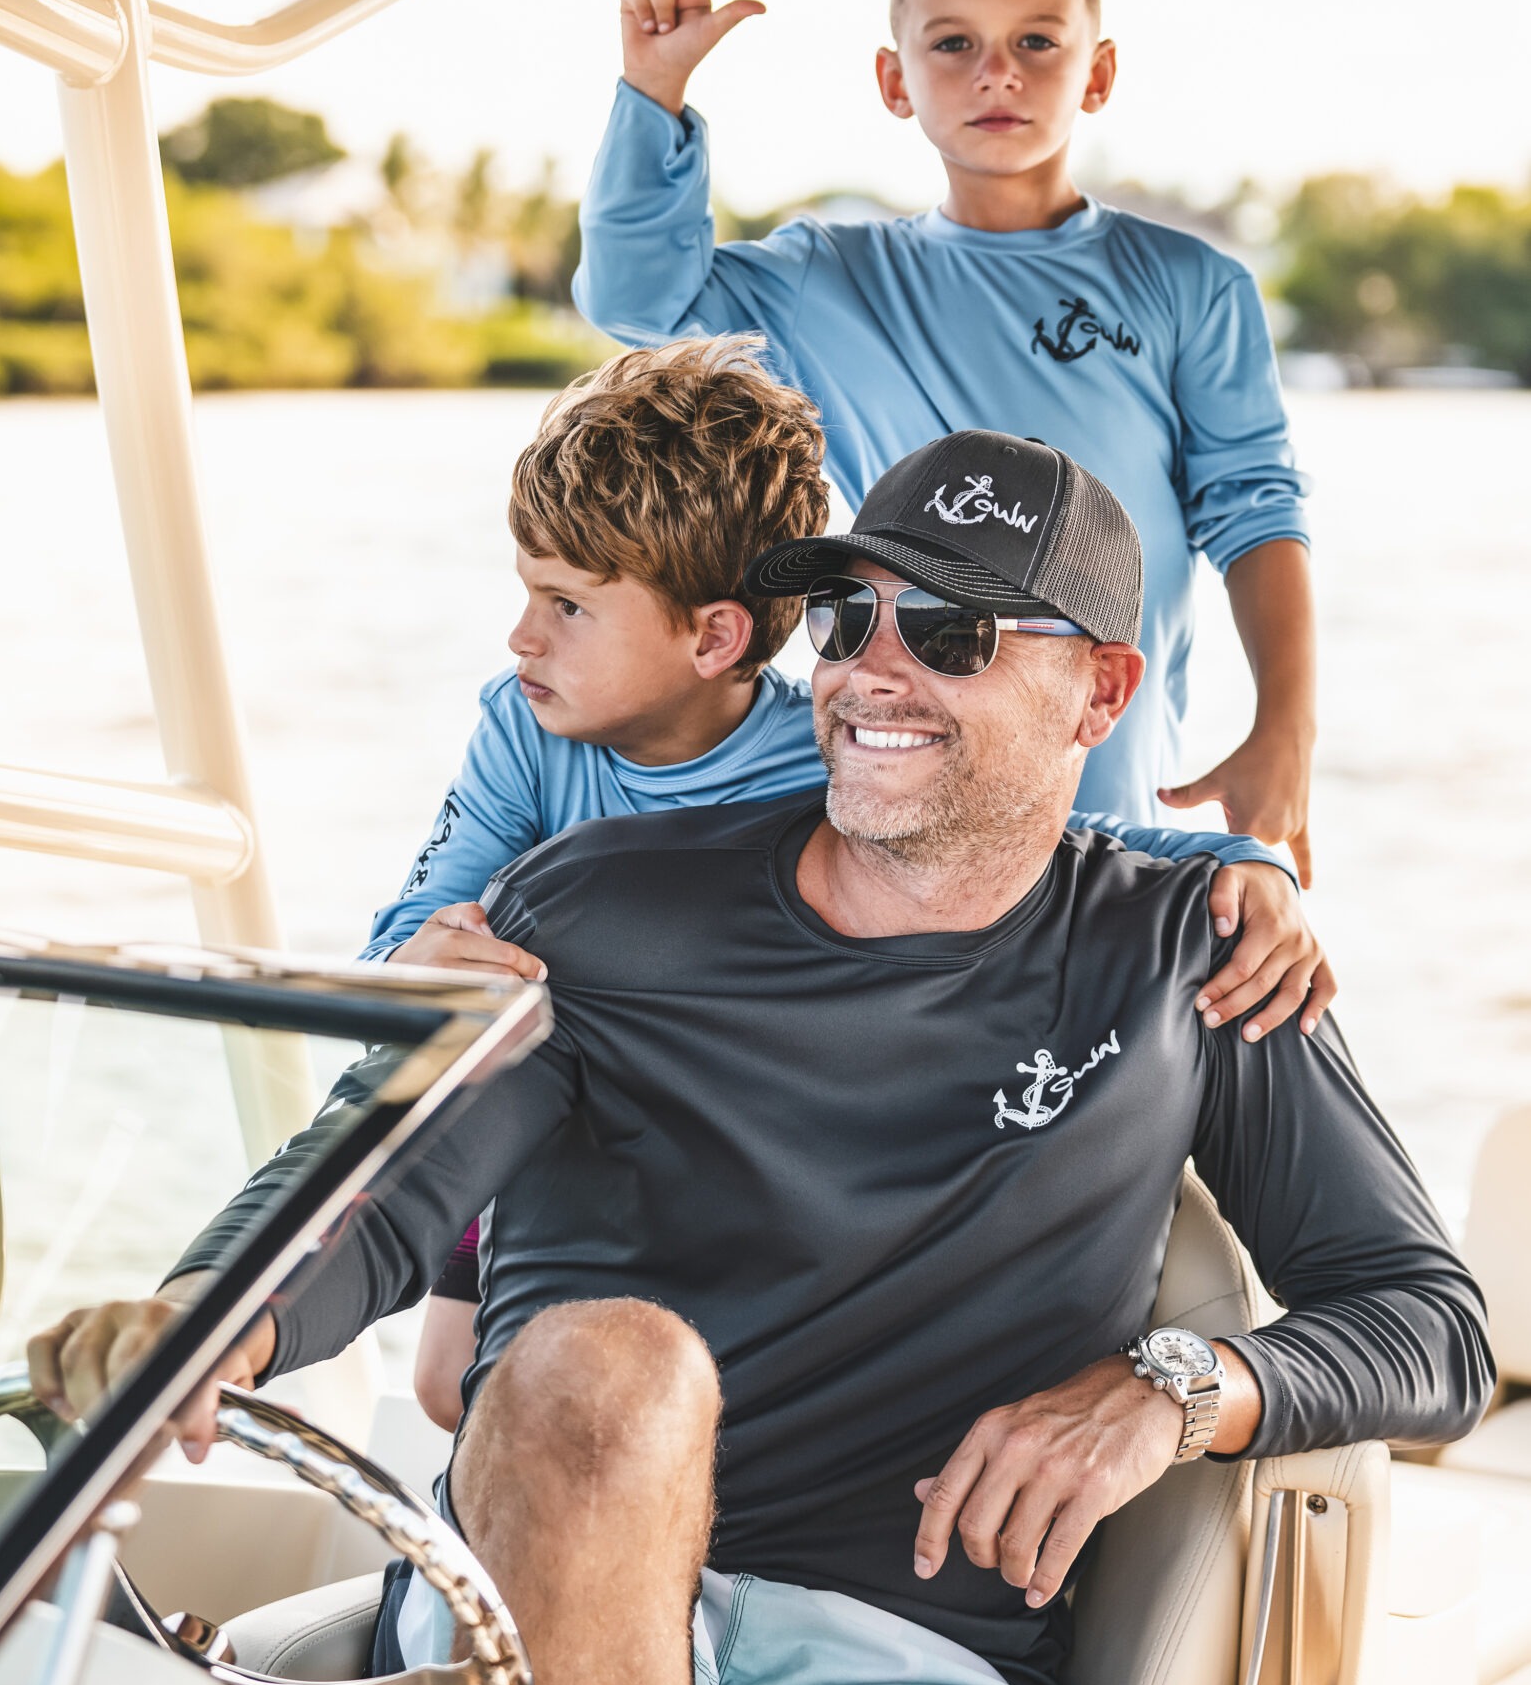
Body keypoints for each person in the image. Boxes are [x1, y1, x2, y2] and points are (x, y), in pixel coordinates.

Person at [30, 427, 1489, 1685]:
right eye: (847, 619)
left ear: (1101, 695)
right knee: (615, 1364)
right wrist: (204, 1318)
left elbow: (1429, 1322)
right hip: (541, 1615)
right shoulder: (593, 909)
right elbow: (383, 1184)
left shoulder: (1193, 958)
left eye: (951, 634)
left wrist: (1168, 1391)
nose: (872, 673)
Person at [372, 337, 1330, 1431]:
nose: (521, 638)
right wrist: (414, 962)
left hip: (711, 1119)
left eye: (568, 606)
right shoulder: (521, 724)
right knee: (449, 1384)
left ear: (716, 637)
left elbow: (1059, 834)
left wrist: (1240, 862)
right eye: (849, 620)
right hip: (545, 1104)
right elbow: (422, 917)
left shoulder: (837, 759)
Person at [579, 0, 1317, 870]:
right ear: (896, 80)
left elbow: (1254, 510)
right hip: (909, 801)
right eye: (954, 43)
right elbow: (637, 300)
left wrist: (1286, 725)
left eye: (1036, 42)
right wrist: (653, 91)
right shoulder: (828, 279)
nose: (996, 73)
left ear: (1098, 72)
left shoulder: (1193, 286)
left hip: (1106, 818)